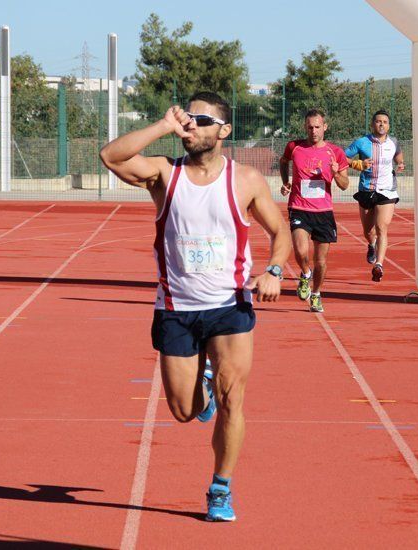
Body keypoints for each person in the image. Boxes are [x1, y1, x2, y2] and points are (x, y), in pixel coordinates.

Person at [100, 92, 291, 522]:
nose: (192, 126)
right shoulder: (164, 174)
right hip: (176, 308)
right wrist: (164, 125)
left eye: (202, 120)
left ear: (224, 131)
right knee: (184, 411)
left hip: (230, 305)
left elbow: (280, 234)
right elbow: (110, 156)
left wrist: (275, 271)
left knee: (231, 402)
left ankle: (220, 489)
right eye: (188, 119)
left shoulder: (245, 181)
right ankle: (199, 384)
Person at [279, 109, 350, 313]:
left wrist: (336, 174)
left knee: (321, 261)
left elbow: (345, 185)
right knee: (301, 251)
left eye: (317, 127)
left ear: (325, 127)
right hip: (299, 207)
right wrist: (286, 182)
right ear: (305, 127)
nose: (314, 131)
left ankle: (317, 294)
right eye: (310, 127)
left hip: (324, 211)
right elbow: (284, 162)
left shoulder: (335, 152)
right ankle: (304, 273)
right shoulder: (294, 147)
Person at [345, 109, 405, 282]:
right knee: (368, 232)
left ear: (389, 125)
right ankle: (371, 245)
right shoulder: (362, 142)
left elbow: (398, 155)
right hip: (367, 190)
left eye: (385, 122)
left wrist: (400, 163)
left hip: (387, 191)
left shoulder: (393, 142)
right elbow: (341, 157)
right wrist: (357, 163)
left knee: (382, 228)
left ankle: (379, 265)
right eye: (378, 121)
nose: (381, 124)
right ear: (372, 124)